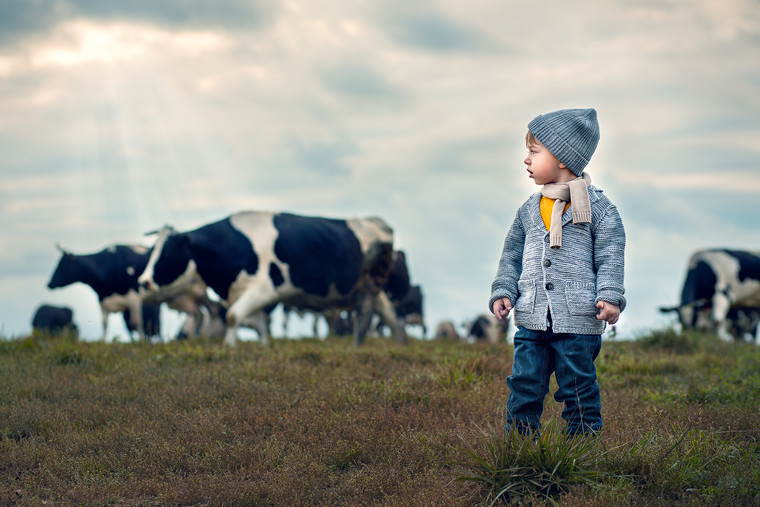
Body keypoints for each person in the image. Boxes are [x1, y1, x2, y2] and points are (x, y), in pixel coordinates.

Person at [489, 108, 626, 436]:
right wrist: (504, 290)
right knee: (524, 387)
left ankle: (581, 456)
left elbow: (610, 257)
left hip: (578, 320)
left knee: (578, 392)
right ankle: (520, 452)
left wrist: (609, 296)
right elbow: (511, 257)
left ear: (563, 157)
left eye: (534, 152)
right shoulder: (527, 211)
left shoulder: (599, 210)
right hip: (532, 318)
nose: (526, 159)